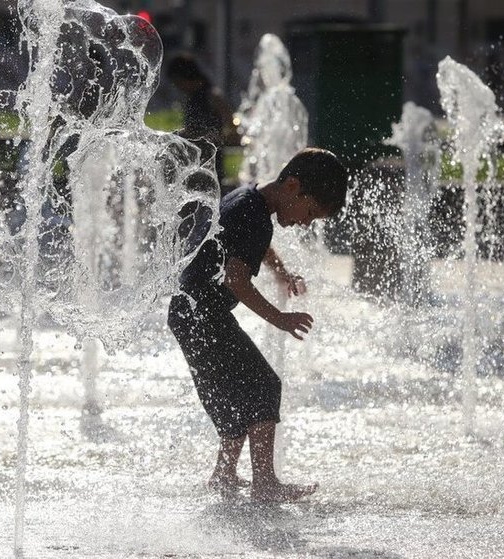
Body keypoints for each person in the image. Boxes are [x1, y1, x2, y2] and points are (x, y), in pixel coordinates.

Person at [168, 147, 348, 502]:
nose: (305, 223)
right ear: (293, 186)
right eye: (309, 213)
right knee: (264, 385)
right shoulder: (254, 215)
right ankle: (265, 483)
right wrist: (279, 319)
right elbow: (236, 279)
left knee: (231, 397)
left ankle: (224, 475)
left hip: (190, 312)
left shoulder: (249, 200)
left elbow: (255, 246)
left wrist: (280, 271)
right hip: (203, 314)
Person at [166, 53, 239, 188]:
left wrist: (216, 137)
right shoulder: (192, 97)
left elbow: (232, 127)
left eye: (177, 82)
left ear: (185, 77)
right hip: (193, 162)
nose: (177, 87)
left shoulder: (212, 96)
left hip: (211, 163)